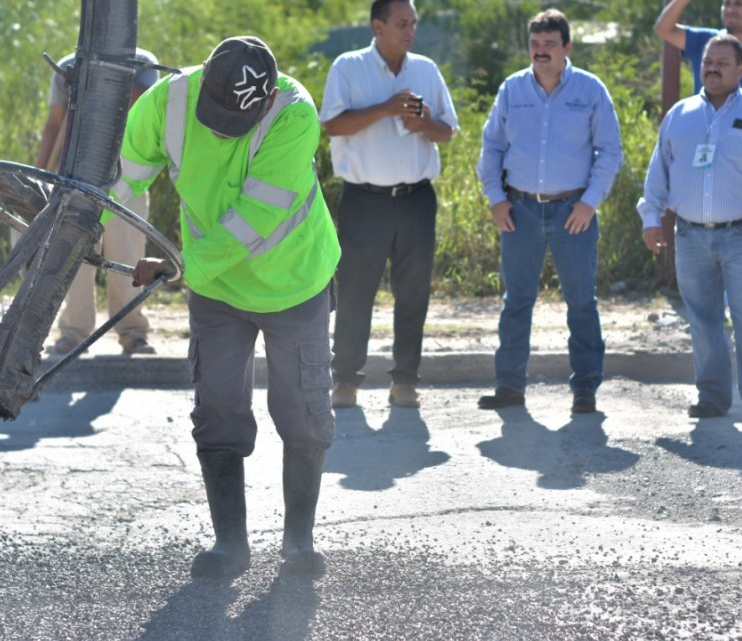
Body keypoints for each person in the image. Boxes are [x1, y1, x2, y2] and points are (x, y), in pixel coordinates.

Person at [126, 36, 341, 577]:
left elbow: (251, 221)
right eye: (214, 115)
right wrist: (91, 237)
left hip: (293, 282)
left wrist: (179, 266)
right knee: (218, 406)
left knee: (303, 412)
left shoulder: (294, 117)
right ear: (204, 80)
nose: (219, 130)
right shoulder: (166, 102)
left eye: (233, 121)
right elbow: (125, 181)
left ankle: (298, 542)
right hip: (219, 294)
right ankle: (230, 544)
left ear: (266, 100)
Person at [638, 34, 742, 425]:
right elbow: (658, 171)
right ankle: (711, 395)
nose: (711, 68)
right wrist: (651, 218)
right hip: (689, 236)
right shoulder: (680, 114)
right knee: (703, 319)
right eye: (707, 61)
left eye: (722, 63)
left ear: (741, 71)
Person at [475, 8, 623, 414]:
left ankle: (585, 389)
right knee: (516, 301)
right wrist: (496, 198)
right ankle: (509, 387)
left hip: (573, 213)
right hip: (518, 210)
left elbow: (610, 151)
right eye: (535, 44)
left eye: (549, 45)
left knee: (581, 302)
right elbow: (492, 149)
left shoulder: (590, 90)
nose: (540, 52)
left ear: (567, 47)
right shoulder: (512, 90)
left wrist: (589, 202)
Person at [320, 0, 458, 409]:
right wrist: (386, 109)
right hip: (365, 201)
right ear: (377, 26)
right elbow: (330, 124)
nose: (410, 31)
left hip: (416, 200)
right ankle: (345, 382)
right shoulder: (348, 66)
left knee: (413, 293)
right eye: (401, 23)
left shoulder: (426, 69)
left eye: (413, 23)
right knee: (355, 294)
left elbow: (447, 131)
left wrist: (421, 124)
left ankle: (405, 382)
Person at [40, 49, 160, 356]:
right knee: (73, 256)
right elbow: (55, 122)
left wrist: (102, 80)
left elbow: (141, 105)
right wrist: (41, 176)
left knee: (128, 256)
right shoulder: (68, 64)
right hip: (76, 173)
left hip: (127, 175)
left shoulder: (143, 63)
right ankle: (73, 332)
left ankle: (133, 332)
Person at [654, 0, 742, 126]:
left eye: (739, 4)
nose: (730, 9)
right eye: (726, 3)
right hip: (705, 140)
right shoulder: (707, 41)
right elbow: (663, 29)